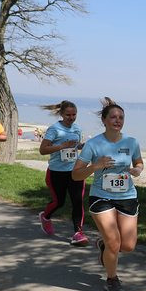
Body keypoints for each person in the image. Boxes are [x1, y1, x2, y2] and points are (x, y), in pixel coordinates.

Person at [72, 97, 143, 291]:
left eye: (121, 117)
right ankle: (112, 279)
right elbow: (76, 174)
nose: (117, 120)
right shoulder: (94, 144)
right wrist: (96, 165)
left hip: (127, 196)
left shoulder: (131, 142)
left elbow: (138, 162)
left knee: (127, 246)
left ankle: (103, 246)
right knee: (114, 242)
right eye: (113, 117)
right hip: (101, 196)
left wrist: (137, 170)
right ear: (104, 120)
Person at [38, 100, 89, 246]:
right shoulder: (54, 129)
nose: (71, 118)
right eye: (68, 115)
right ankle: (45, 216)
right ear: (61, 114)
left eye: (74, 115)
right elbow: (43, 150)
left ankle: (78, 233)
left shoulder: (77, 129)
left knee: (77, 202)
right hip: (56, 171)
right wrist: (61, 146)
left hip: (75, 171)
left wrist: (83, 146)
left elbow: (74, 147)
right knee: (59, 202)